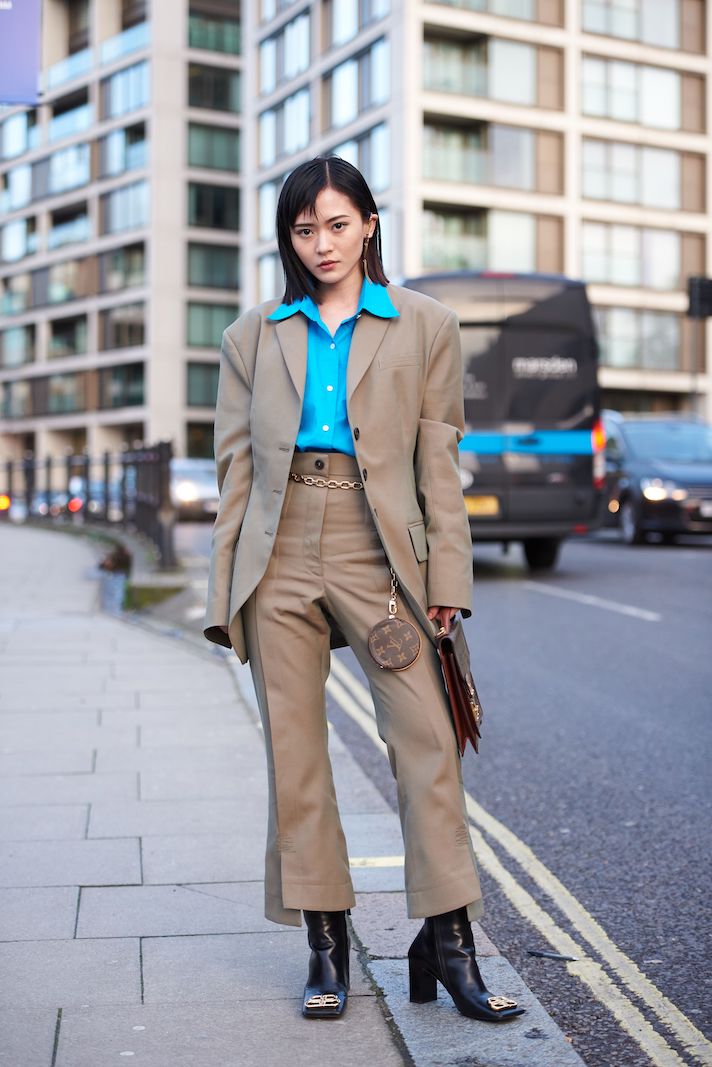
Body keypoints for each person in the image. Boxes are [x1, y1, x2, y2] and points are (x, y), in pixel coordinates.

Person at [203, 156, 523, 1024]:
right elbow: (235, 469)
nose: (322, 244)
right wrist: (220, 591)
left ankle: (448, 942)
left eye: (337, 224)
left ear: (369, 224)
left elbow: (438, 462)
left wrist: (447, 577)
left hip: (380, 550)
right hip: (278, 552)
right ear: (289, 239)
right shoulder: (250, 336)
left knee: (427, 742)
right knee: (297, 759)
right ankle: (326, 942)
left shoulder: (426, 325)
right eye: (305, 230)